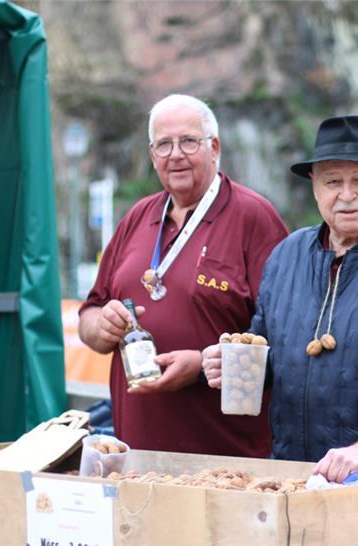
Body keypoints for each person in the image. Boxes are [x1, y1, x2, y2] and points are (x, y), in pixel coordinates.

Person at [202, 115, 358, 482]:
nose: (347, 194)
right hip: (293, 476)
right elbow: (266, 349)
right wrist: (233, 365)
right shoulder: (286, 255)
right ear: (315, 187)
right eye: (333, 181)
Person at [79, 94, 288, 455]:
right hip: (135, 454)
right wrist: (102, 327)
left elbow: (287, 336)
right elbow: (89, 317)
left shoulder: (253, 217)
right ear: (152, 155)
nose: (175, 154)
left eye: (189, 141)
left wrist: (204, 366)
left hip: (227, 459)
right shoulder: (137, 218)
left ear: (214, 147)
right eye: (164, 145)